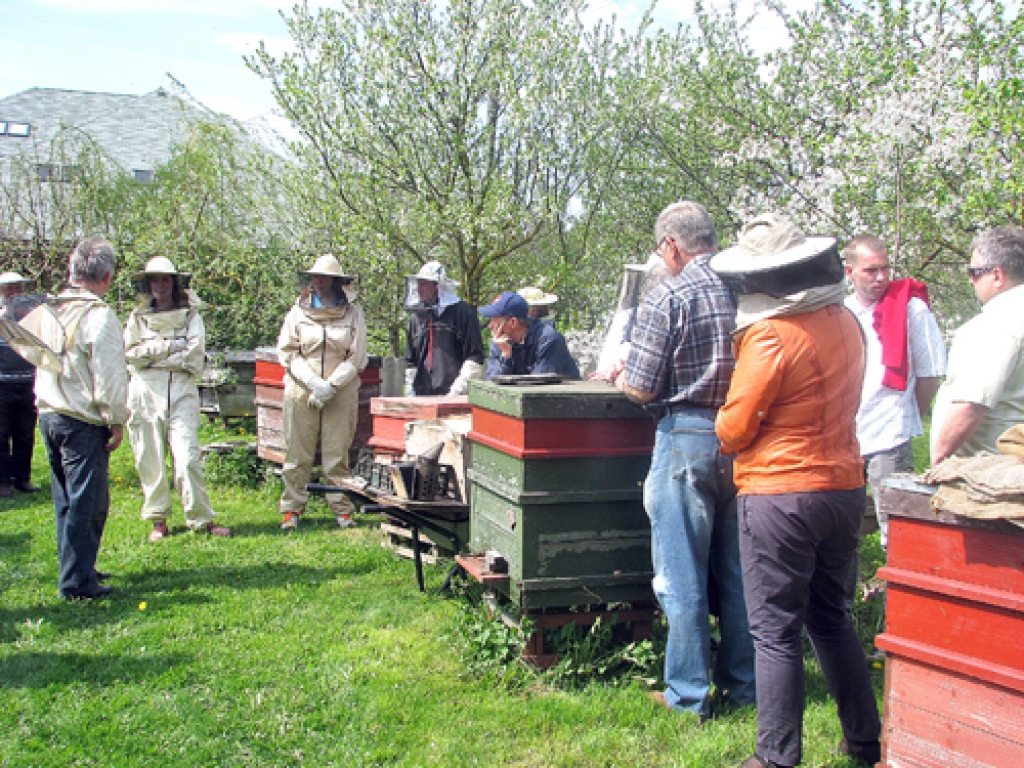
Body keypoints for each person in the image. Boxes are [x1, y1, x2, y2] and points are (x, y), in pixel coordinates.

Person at [712, 214, 881, 768]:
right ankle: (864, 740)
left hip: (781, 493)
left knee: (774, 630)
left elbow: (736, 428)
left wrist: (720, 424)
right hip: (844, 487)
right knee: (830, 616)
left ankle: (774, 758)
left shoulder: (769, 334)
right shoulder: (847, 320)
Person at [614, 201, 754, 721]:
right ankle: (745, 688)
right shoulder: (748, 289)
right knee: (740, 574)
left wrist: (625, 379)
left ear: (671, 245)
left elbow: (644, 385)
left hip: (685, 436)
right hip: (743, 439)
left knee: (682, 574)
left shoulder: (667, 293)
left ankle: (688, 695)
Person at [35, 237, 128, 600]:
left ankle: (78, 566)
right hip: (80, 419)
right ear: (106, 277)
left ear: (73, 272)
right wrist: (115, 419)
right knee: (87, 504)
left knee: (66, 500)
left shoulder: (51, 309)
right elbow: (108, 376)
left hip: (49, 413)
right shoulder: (98, 315)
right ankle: (77, 584)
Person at [843, 235, 946, 548]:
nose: (881, 278)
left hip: (890, 434)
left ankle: (897, 595)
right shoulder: (840, 312)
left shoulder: (911, 309)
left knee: (896, 529)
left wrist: (905, 413)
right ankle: (846, 595)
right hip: (846, 435)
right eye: (871, 270)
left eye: (885, 269)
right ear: (850, 272)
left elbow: (930, 374)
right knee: (843, 528)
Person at [124, 257, 231, 542]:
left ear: (175, 283)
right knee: (150, 456)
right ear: (147, 285)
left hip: (182, 390)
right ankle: (158, 519)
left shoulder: (191, 316)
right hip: (145, 392)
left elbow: (193, 358)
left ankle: (200, 518)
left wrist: (152, 355)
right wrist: (170, 347)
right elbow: (131, 354)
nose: (160, 285)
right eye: (155, 280)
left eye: (165, 280)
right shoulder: (137, 317)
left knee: (186, 457)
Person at [278, 254, 368, 530]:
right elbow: (288, 352)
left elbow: (357, 357)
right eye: (314, 277)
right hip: (301, 389)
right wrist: (314, 383)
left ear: (335, 281)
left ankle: (341, 509)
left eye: (323, 277)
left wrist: (330, 386)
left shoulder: (353, 314)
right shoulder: (297, 312)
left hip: (340, 391)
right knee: (297, 452)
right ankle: (291, 509)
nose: (317, 282)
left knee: (337, 453)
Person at [932, 225, 1024, 463]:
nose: (971, 282)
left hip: (990, 476)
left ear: (997, 275)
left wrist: (939, 458)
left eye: (974, 273)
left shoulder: (996, 323)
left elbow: (971, 405)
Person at [404, 260, 485, 396]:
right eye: (418, 284)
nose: (419, 289)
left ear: (438, 286)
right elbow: (410, 361)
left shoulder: (463, 313)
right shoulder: (417, 318)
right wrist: (410, 391)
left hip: (455, 396)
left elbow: (475, 356)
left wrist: (457, 391)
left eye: (423, 284)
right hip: (422, 395)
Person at [0, 272, 41, 498]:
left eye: (16, 287)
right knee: (1, 434)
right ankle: (3, 481)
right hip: (2, 383)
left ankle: (22, 479)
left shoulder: (31, 315)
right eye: (8, 288)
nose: (13, 292)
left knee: (25, 434)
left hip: (28, 382)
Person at [481, 291, 581, 380]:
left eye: (494, 321)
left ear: (512, 322)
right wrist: (506, 356)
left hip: (565, 399)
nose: (490, 326)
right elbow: (492, 385)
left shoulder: (549, 340)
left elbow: (538, 389)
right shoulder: (500, 342)